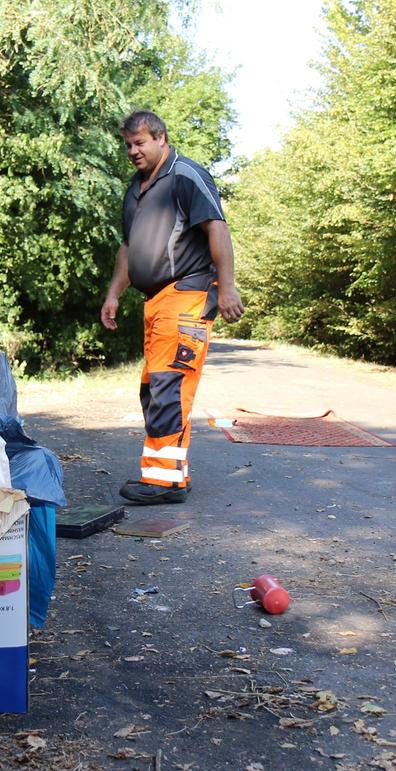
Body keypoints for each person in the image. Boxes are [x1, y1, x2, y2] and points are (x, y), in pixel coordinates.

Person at [100, 110, 244, 505]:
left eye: (140, 142)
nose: (133, 151)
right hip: (155, 301)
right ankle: (172, 473)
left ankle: (163, 481)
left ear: (161, 138)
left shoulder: (185, 175)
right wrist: (114, 293)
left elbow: (216, 227)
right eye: (128, 144)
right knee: (154, 388)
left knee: (169, 386)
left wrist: (227, 287)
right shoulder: (137, 187)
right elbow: (129, 247)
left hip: (188, 294)